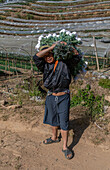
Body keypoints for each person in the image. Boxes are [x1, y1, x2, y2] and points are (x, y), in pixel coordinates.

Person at [33, 42, 78, 159]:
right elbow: (36, 57)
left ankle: (65, 146)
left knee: (64, 121)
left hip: (63, 97)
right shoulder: (44, 66)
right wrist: (51, 47)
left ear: (55, 54)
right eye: (45, 55)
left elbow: (77, 56)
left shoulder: (65, 63)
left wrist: (67, 46)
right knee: (53, 119)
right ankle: (54, 137)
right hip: (51, 96)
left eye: (50, 54)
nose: (48, 57)